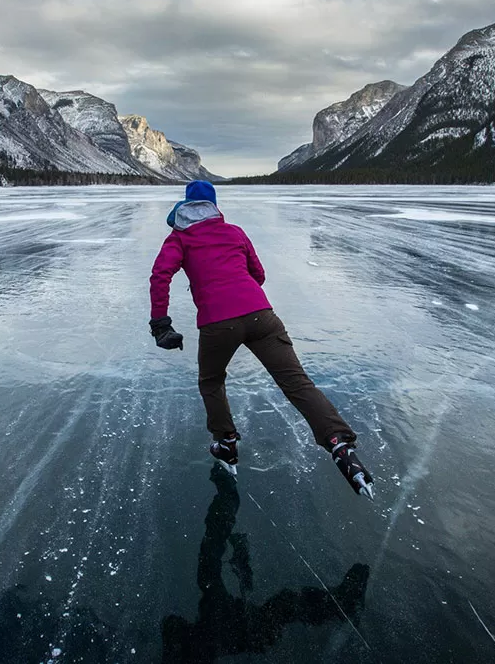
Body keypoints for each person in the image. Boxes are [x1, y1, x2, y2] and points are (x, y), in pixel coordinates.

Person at [148, 181, 374, 498]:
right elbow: (259, 273)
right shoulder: (234, 232)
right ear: (214, 206)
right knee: (298, 383)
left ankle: (226, 443)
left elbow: (160, 275)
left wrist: (161, 323)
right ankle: (338, 442)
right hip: (261, 315)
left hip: (217, 323)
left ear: (185, 206)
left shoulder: (180, 237)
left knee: (211, 381)